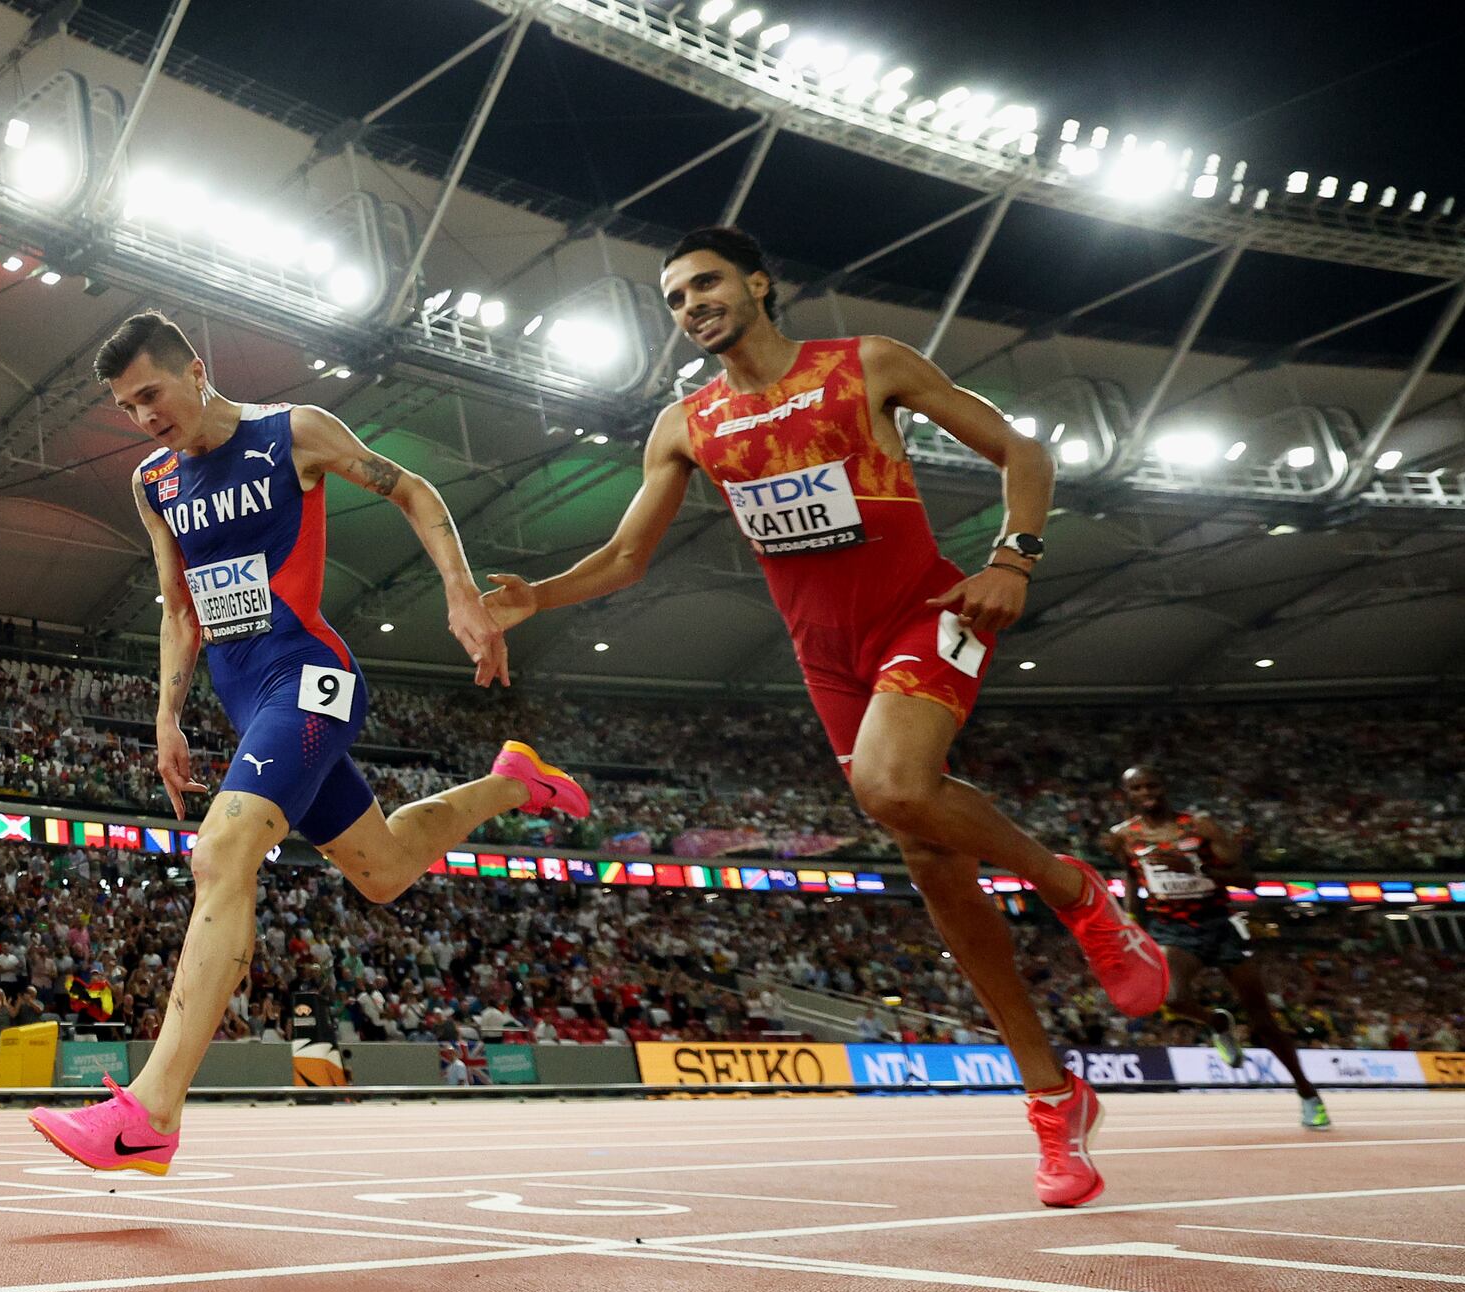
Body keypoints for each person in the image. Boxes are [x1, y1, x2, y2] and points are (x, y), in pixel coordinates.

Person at [482, 226, 1169, 1209]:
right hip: (828, 662)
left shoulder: (866, 366)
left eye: (705, 284)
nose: (689, 305)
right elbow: (627, 556)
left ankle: (1078, 895)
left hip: (930, 615)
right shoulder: (686, 423)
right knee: (927, 852)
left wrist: (1012, 557)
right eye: (672, 298)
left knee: (889, 784)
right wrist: (534, 597)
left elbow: (1021, 448)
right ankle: (1053, 1096)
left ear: (760, 283)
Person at [28, 311, 590, 1176]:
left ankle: (149, 1113)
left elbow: (414, 490)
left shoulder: (292, 433)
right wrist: (166, 717)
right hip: (243, 699)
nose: (143, 416)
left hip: (310, 677)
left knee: (221, 853)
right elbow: (178, 607)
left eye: (151, 394)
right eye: (125, 406)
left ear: (195, 371)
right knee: (385, 870)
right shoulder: (154, 482)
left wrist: (459, 593)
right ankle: (513, 782)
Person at [1106, 765, 1329, 1129]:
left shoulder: (1200, 827)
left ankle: (1308, 1093)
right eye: (1137, 788)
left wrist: (1192, 866)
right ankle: (1217, 1022)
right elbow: (1132, 877)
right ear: (1126, 794)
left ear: (1165, 786)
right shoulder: (1121, 836)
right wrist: (1131, 923)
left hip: (1219, 925)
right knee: (1172, 997)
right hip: (1172, 928)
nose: (1146, 792)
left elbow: (1247, 880)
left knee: (1263, 1024)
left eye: (1152, 784)